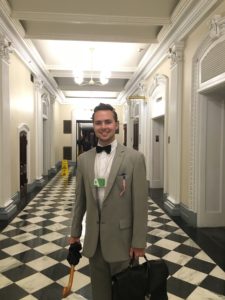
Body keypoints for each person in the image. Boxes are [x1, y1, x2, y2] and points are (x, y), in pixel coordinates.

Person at [69, 103, 148, 300]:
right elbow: (80, 200)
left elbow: (140, 205)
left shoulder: (134, 158)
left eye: (108, 122)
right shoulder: (84, 159)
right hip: (94, 243)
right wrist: (74, 233)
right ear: (93, 126)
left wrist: (139, 242)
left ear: (117, 125)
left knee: (126, 294)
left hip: (124, 242)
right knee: (100, 294)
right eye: (98, 123)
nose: (103, 126)